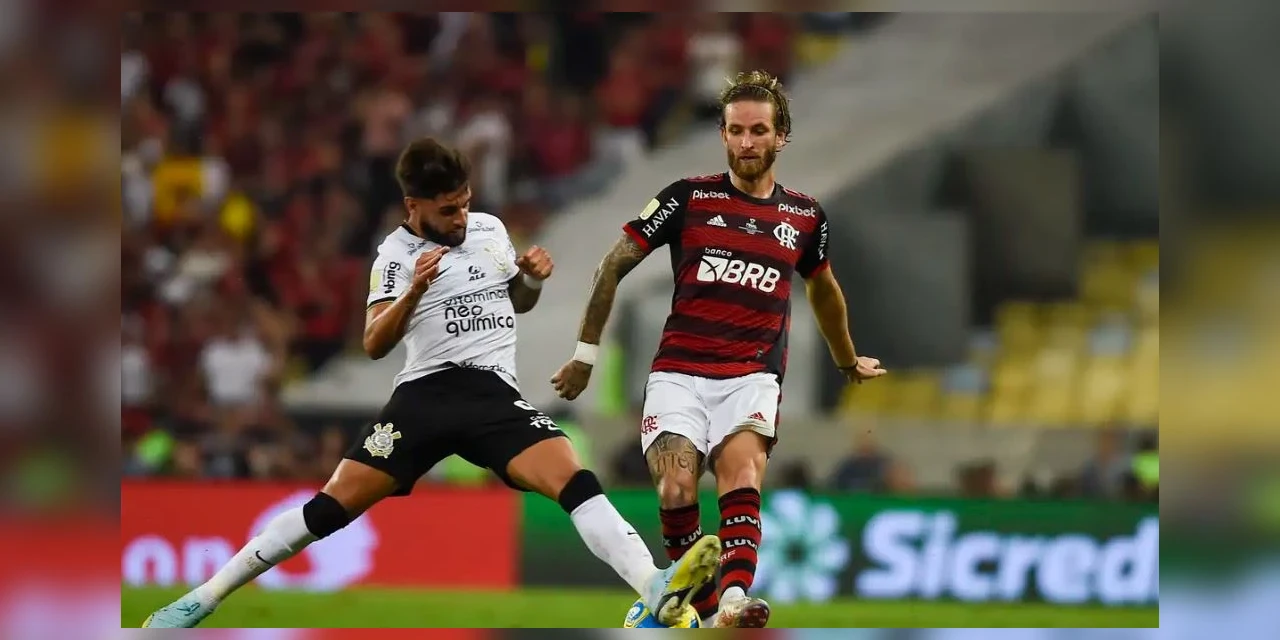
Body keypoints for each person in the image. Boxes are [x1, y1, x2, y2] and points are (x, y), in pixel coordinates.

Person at [144, 138, 721, 628]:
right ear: (413, 205)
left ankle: (653, 589)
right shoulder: (394, 256)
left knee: (575, 479)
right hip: (424, 396)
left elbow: (515, 303)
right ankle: (203, 598)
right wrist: (414, 292)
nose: (461, 218)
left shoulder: (491, 230)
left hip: (494, 394)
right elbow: (373, 344)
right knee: (328, 510)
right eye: (447, 210)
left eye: (465, 203)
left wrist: (530, 280)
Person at [551, 71, 886, 628]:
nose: (747, 142)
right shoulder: (687, 198)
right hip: (679, 373)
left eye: (759, 130)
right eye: (736, 131)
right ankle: (703, 609)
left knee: (742, 475)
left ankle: (732, 599)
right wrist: (586, 355)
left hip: (751, 375)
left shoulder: (804, 217)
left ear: (781, 137)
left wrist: (846, 358)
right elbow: (614, 264)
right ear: (723, 135)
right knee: (677, 485)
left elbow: (824, 291)